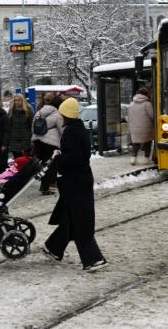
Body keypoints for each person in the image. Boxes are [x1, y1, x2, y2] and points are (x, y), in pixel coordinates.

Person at [42, 98, 107, 272]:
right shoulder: (80, 130)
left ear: (66, 115)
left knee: (79, 220)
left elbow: (73, 159)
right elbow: (79, 155)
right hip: (82, 179)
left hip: (74, 182)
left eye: (62, 114)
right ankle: (53, 248)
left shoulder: (70, 133)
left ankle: (93, 259)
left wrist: (58, 157)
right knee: (71, 216)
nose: (60, 117)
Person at [31, 93, 63, 195]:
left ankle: (34, 183)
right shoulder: (58, 114)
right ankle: (45, 187)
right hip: (51, 144)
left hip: (37, 142)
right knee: (50, 166)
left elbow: (33, 127)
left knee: (39, 165)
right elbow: (62, 130)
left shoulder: (39, 112)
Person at [127, 88, 154, 165]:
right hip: (146, 128)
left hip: (134, 128)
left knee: (136, 144)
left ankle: (133, 159)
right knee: (148, 143)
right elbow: (152, 115)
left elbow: (128, 116)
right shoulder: (147, 104)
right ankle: (146, 159)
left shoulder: (131, 104)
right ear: (145, 94)